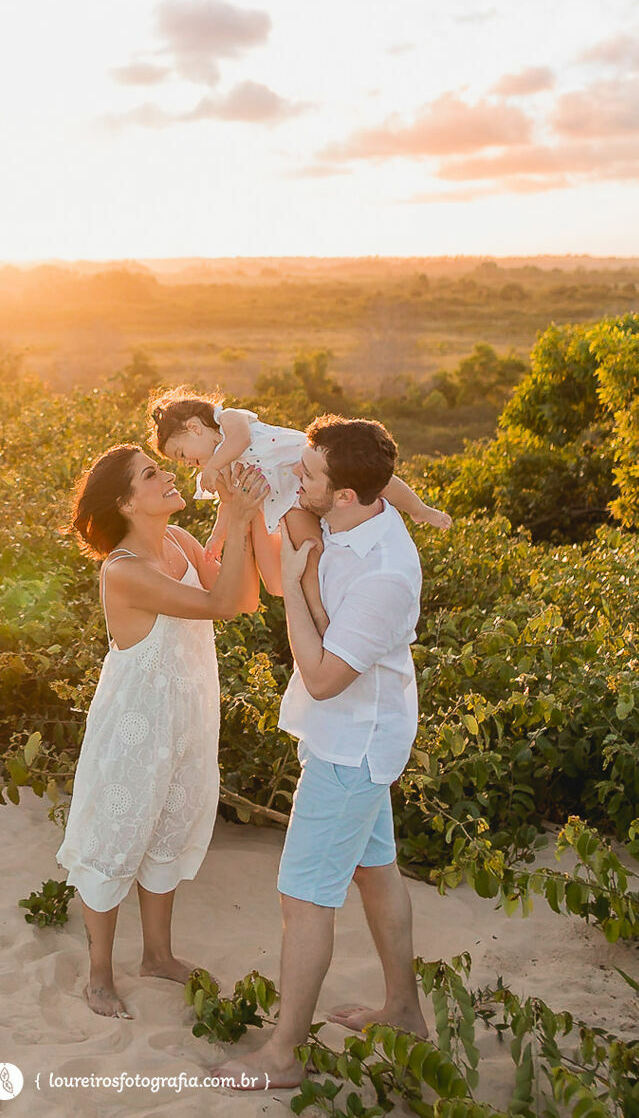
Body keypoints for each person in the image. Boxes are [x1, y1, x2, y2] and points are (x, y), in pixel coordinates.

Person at [210, 416, 430, 1090]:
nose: (295, 479)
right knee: (375, 869)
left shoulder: (386, 575)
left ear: (344, 495)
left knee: (303, 896)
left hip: (351, 745)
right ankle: (403, 1009)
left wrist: (296, 596)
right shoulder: (352, 504)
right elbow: (375, 490)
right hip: (363, 735)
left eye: (307, 475)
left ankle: (284, 1053)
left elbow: (324, 676)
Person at [56, 443, 265, 1019]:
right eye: (151, 473)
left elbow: (241, 595)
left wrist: (232, 515)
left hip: (188, 718)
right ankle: (99, 976)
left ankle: (156, 956)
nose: (167, 474)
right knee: (115, 836)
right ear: (126, 502)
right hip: (135, 727)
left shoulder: (175, 542)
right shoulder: (124, 571)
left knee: (170, 828)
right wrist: (242, 517)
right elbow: (222, 602)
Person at [148, 389, 450, 636]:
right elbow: (227, 505)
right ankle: (320, 615)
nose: (186, 464)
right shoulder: (220, 464)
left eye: (182, 454)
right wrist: (217, 536)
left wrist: (213, 466)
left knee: (373, 480)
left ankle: (419, 508)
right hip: (287, 501)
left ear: (194, 428)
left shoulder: (226, 418)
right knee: (306, 553)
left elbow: (240, 440)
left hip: (300, 468)